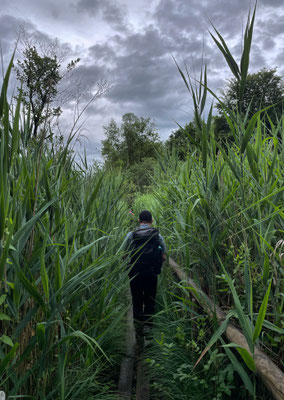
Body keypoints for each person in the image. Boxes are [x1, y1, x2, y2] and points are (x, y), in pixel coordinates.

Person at [123, 210, 166, 336]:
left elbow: (124, 255)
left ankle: (138, 331)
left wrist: (129, 265)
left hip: (135, 273)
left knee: (136, 300)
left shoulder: (131, 235)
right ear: (151, 221)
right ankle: (149, 332)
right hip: (152, 274)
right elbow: (163, 256)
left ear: (139, 220)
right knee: (150, 300)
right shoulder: (158, 236)